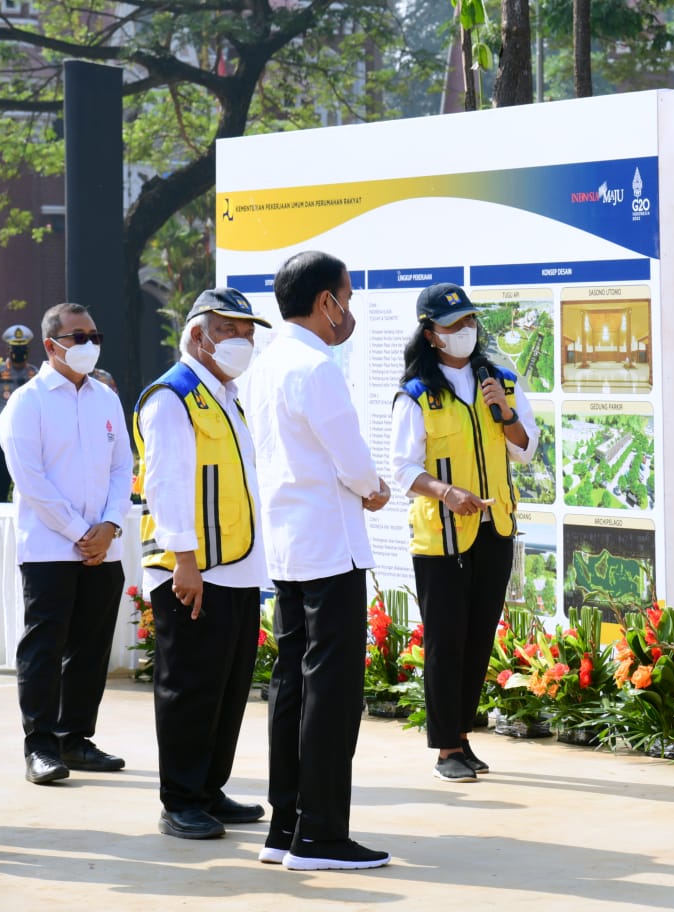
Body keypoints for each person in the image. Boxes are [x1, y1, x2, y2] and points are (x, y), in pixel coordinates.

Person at [244, 251, 393, 871]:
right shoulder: (316, 366)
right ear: (326, 301)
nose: (349, 310)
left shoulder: (265, 364)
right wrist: (374, 487)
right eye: (347, 297)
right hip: (330, 546)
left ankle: (286, 827)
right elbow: (352, 460)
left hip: (288, 544)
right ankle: (321, 835)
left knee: (291, 687)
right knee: (330, 693)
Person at [134, 288, 272, 839]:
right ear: (198, 335)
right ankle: (181, 800)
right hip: (191, 569)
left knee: (228, 688)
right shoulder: (173, 396)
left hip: (235, 566)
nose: (245, 341)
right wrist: (184, 562)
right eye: (232, 330)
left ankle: (210, 789)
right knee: (190, 687)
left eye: (248, 332)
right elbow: (165, 485)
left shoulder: (227, 395)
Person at [390, 283, 536, 783]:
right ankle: (445, 749)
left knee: (478, 640)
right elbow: (402, 470)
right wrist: (447, 492)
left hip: (495, 527)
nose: (465, 332)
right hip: (443, 537)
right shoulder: (416, 394)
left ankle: (464, 737)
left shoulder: (502, 382)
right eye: (453, 326)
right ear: (431, 335)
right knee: (446, 642)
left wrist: (506, 414)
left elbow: (525, 448)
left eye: (470, 322)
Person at [0, 304, 131, 784]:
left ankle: (75, 738)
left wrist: (110, 525)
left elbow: (123, 467)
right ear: (52, 345)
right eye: (78, 337)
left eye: (94, 334)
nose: (89, 344)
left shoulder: (106, 398)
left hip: (104, 545)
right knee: (44, 647)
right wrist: (81, 532)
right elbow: (30, 479)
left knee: (91, 647)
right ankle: (40, 746)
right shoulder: (27, 402)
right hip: (52, 548)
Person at [0, 324, 40, 502]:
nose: (19, 352)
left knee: (27, 478)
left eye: (22, 348)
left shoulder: (34, 374)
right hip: (1, 432)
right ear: (8, 349)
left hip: (29, 432)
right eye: (15, 348)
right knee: (0, 477)